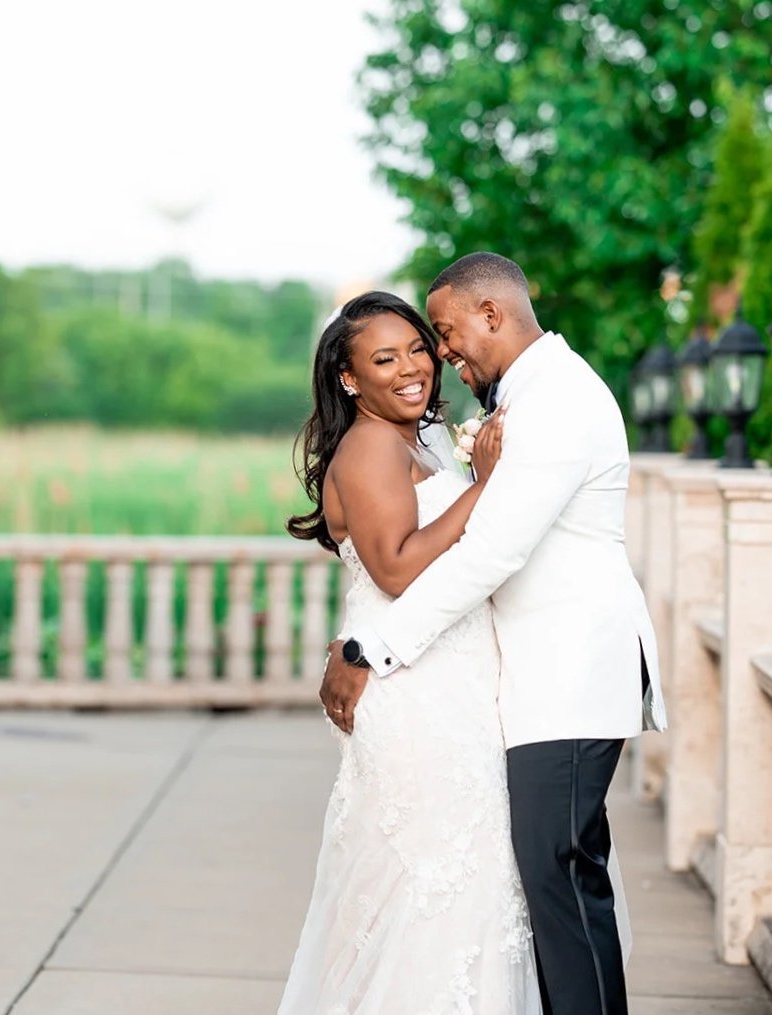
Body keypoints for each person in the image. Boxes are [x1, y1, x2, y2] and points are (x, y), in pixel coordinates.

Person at [320, 253, 667, 1015]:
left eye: (438, 335)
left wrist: (369, 647)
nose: (438, 356)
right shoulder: (522, 396)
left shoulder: (558, 400)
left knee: (555, 874)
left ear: (490, 313)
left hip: (565, 676)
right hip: (517, 683)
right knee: (541, 879)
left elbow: (493, 550)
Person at [279, 290, 539, 1013]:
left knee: (467, 878)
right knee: (436, 880)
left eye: (417, 348)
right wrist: (483, 486)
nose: (410, 368)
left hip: (448, 678)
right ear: (348, 378)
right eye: (383, 358)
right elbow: (394, 566)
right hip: (412, 690)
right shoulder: (367, 447)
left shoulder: (412, 439)